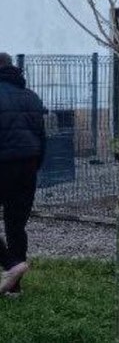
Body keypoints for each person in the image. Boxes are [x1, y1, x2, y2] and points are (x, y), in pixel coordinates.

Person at [0, 52, 47, 296]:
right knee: (16, 225)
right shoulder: (32, 97)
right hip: (28, 167)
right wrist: (34, 166)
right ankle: (14, 289)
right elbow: (42, 137)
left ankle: (10, 264)